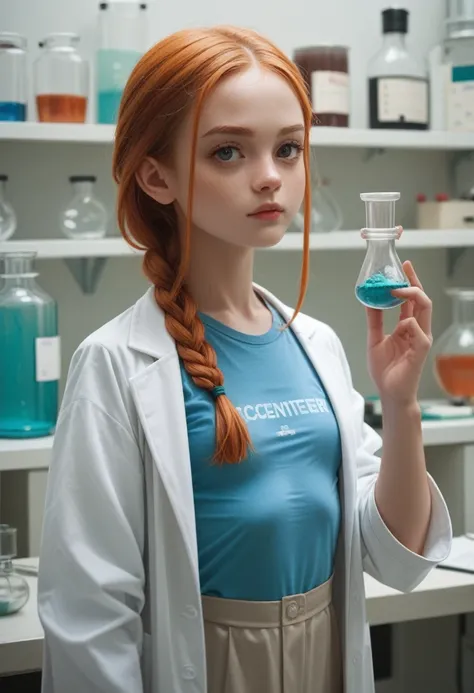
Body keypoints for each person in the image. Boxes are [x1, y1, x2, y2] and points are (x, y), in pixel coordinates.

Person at [37, 25, 452, 693]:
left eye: (288, 148)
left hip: (329, 661)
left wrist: (401, 405)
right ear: (156, 174)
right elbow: (90, 618)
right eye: (228, 151)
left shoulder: (316, 346)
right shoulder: (115, 364)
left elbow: (397, 558)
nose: (270, 177)